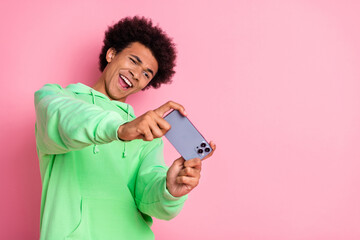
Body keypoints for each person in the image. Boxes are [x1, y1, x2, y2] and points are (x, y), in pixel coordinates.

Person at [34, 16, 216, 240]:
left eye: (147, 74)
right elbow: (66, 120)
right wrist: (120, 129)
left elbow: (147, 197)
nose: (137, 74)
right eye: (134, 61)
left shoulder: (147, 133)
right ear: (111, 54)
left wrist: (169, 190)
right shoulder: (56, 97)